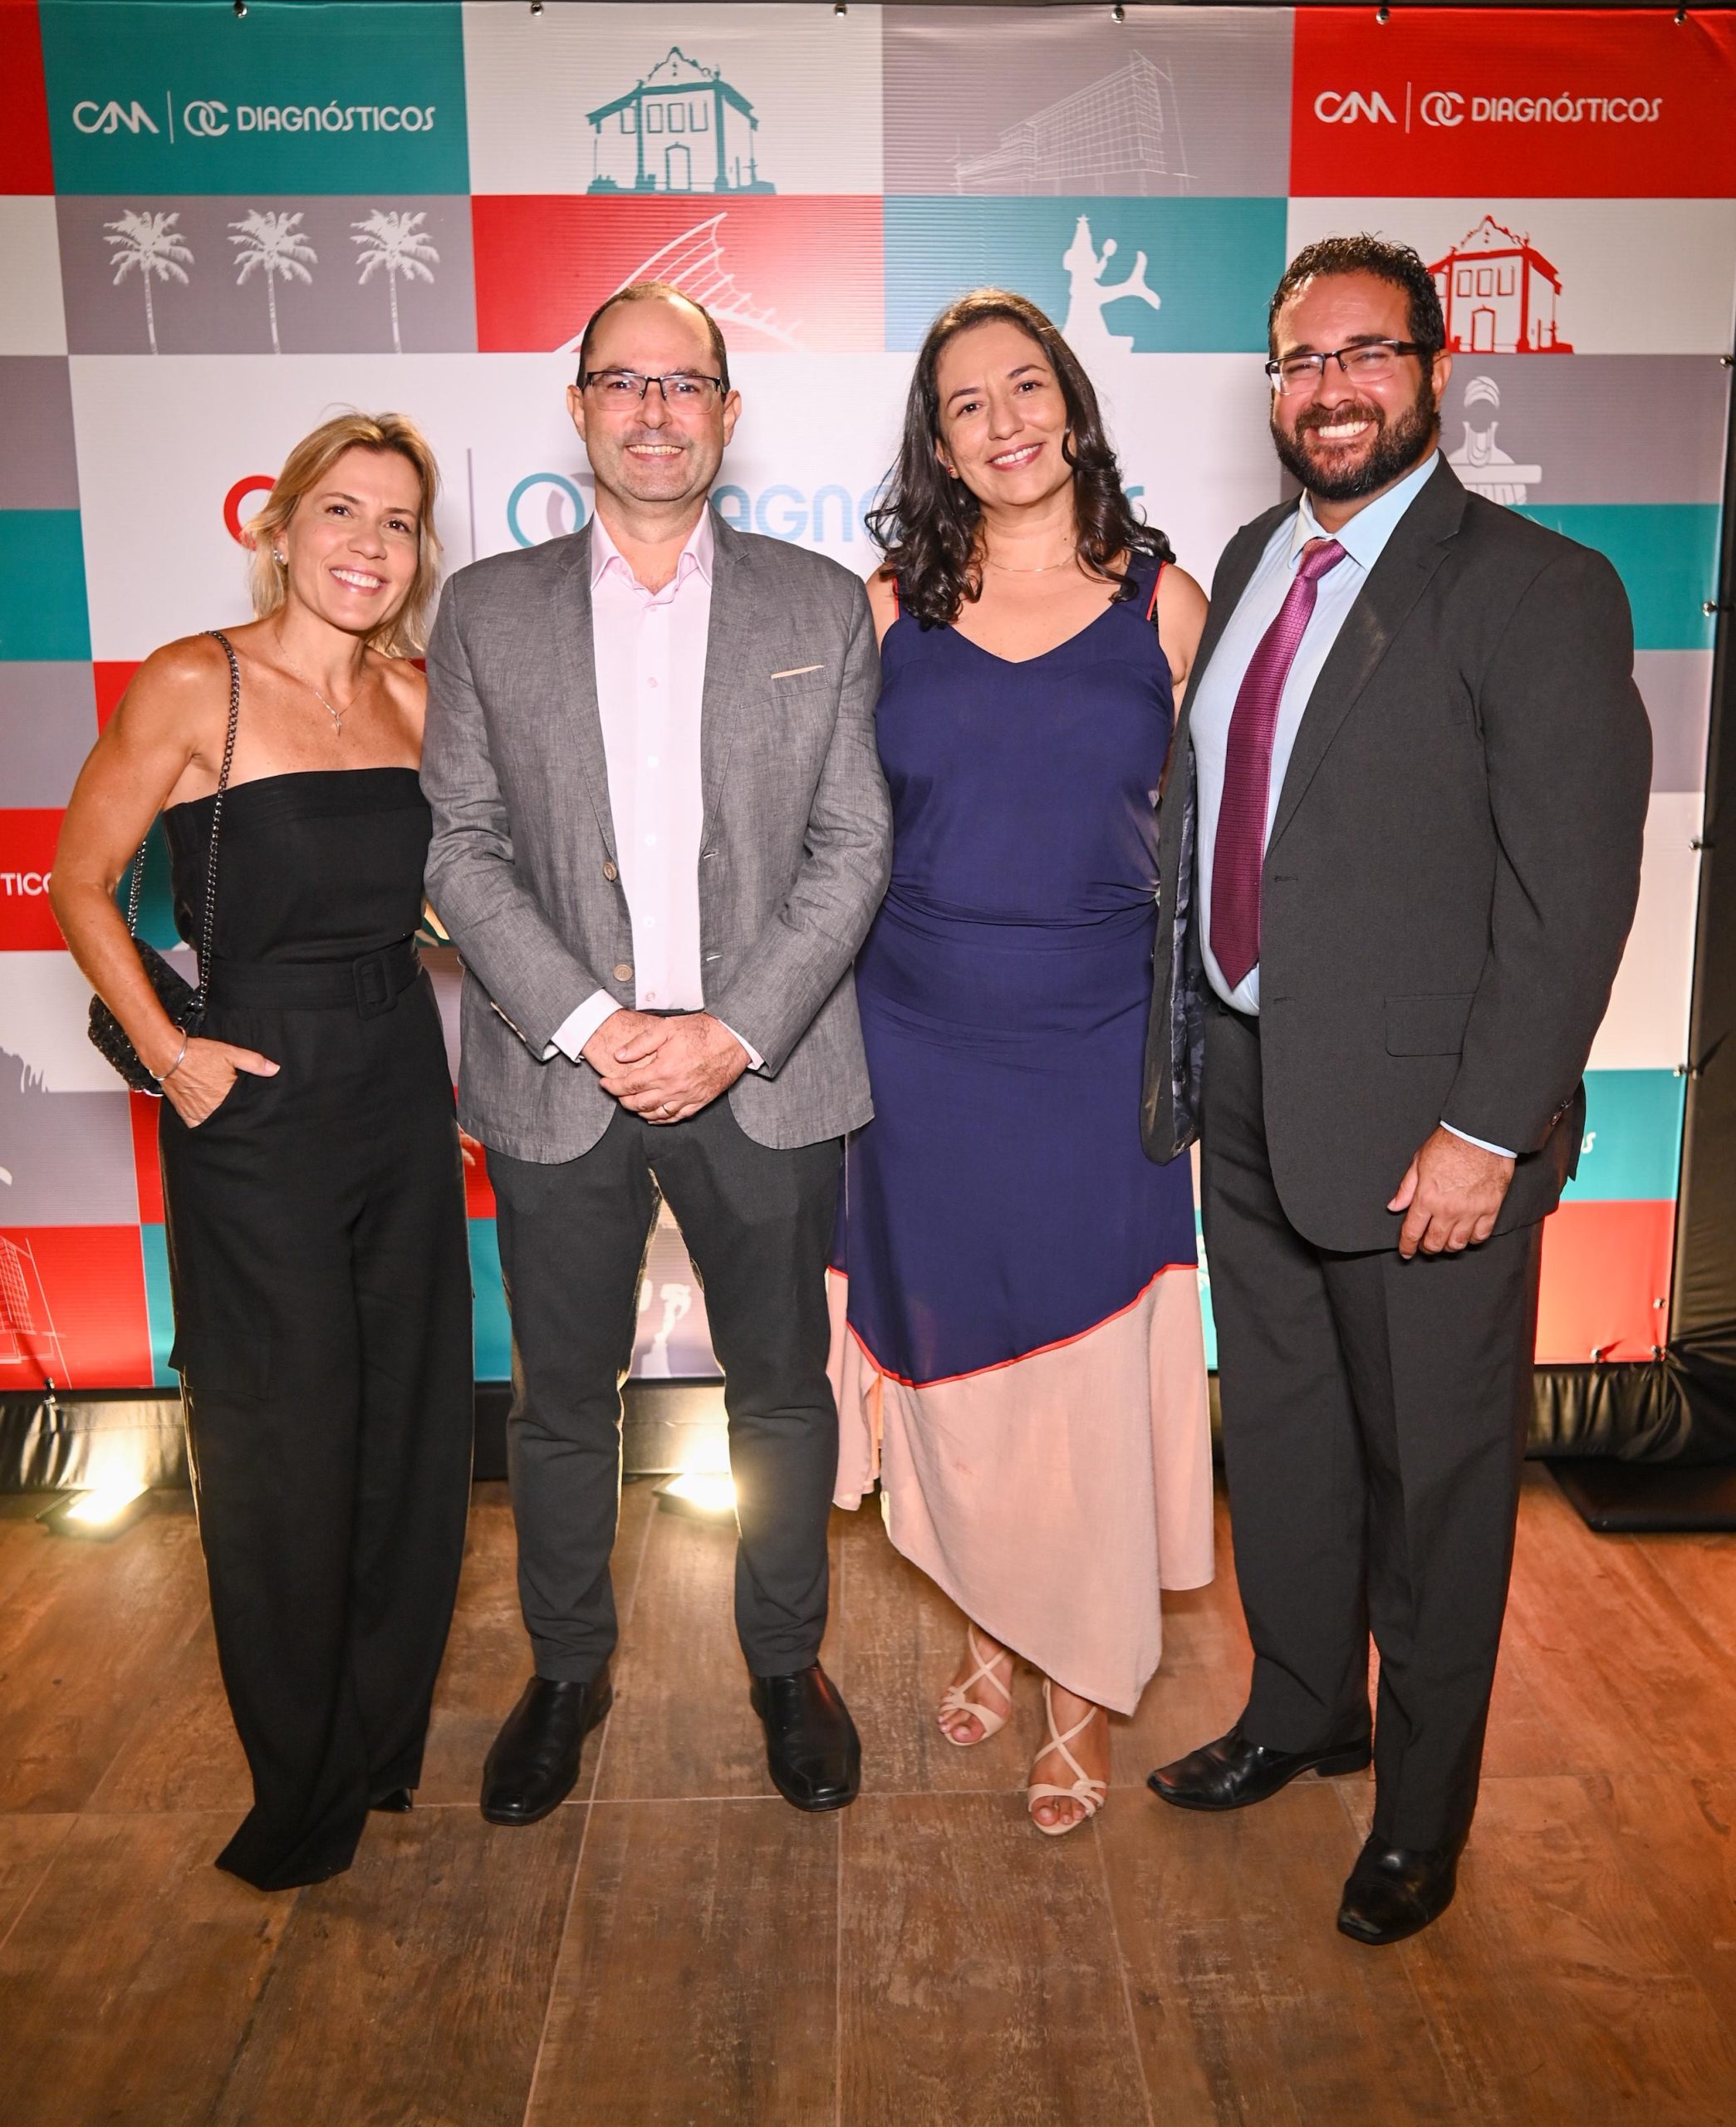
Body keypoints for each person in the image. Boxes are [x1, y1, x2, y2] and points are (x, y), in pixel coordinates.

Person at [1142, 236, 1650, 1941]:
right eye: (1300, 360)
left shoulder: (1534, 586)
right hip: (1250, 1090)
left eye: (1366, 354)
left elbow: (1571, 897)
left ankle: (1421, 1819)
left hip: (1428, 1135)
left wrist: (1486, 1130)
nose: (1331, 389)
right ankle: (1305, 1710)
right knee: (1286, 1441)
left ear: (1432, 369)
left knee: (1432, 1487)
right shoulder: (1249, 558)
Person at [421, 282, 891, 1825]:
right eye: (621, 381)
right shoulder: (484, 609)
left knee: (783, 1395)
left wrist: (730, 1032)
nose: (653, 410)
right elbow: (462, 846)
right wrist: (595, 1025)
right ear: (578, 408)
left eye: (684, 382)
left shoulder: (820, 605)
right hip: (562, 1077)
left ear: (727, 413)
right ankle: (567, 1673)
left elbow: (852, 845)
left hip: (765, 1072)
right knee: (562, 1403)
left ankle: (787, 1669)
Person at [51, 412, 474, 1891]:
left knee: (412, 1426)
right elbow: (79, 879)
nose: (370, 545)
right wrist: (169, 1055)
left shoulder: (419, 697)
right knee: (283, 1446)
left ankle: (378, 1747)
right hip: (256, 1095)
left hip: (399, 1078)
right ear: (281, 527)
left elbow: (462, 892)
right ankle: (300, 1789)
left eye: (399, 522)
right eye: (342, 511)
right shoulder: (196, 681)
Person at [830, 287, 1215, 1836]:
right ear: (936, 443)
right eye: (965, 404)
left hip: (1097, 1045)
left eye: (1025, 387)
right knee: (952, 1356)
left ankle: (1082, 1686)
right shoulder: (883, 611)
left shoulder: (1164, 606)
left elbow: (1228, 845)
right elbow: (826, 832)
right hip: (913, 1039)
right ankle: (993, 1624)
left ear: (1072, 405)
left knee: (1086, 1372)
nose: (1002, 422)